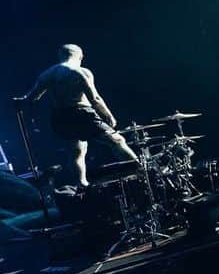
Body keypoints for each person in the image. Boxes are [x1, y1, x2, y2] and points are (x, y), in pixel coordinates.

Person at [17, 44, 137, 187]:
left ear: (60, 56)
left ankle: (82, 185)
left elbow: (32, 98)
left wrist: (21, 101)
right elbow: (95, 99)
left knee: (76, 152)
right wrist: (108, 115)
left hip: (60, 118)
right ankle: (138, 170)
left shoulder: (47, 74)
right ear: (79, 56)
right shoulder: (80, 71)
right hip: (82, 113)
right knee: (117, 141)